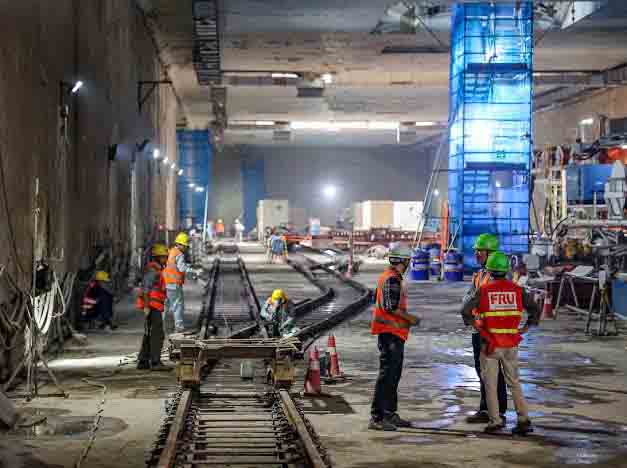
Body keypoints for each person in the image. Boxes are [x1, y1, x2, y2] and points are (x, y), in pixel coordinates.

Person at [460, 251, 540, 434]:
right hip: (511, 343)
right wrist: (526, 328)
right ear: (506, 270)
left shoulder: (484, 291)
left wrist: (477, 327)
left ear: (489, 270)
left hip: (490, 344)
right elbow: (534, 310)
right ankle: (524, 420)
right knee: (514, 382)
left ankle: (495, 421)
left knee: (490, 383)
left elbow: (465, 310)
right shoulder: (518, 290)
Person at [369, 244, 421, 431]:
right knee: (387, 375)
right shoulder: (391, 279)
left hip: (394, 333)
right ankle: (377, 417)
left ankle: (390, 413)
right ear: (404, 261)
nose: (408, 264)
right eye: (408, 260)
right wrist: (411, 318)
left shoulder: (390, 277)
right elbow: (391, 307)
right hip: (389, 334)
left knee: (393, 375)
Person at [463, 233, 508, 424]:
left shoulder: (497, 276)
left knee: (494, 372)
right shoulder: (480, 274)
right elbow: (468, 298)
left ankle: (499, 411)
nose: (476, 254)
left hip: (491, 332)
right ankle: (486, 408)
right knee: (482, 371)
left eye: (480, 250)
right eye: (476, 250)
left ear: (490, 253)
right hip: (478, 329)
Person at [136, 244, 170, 371]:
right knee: (157, 334)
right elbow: (145, 289)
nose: (166, 260)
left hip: (153, 306)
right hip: (151, 306)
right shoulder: (153, 271)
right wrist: (146, 307)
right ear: (158, 258)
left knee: (149, 333)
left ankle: (143, 361)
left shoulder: (156, 270)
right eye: (164, 257)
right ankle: (155, 362)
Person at [163, 232, 192, 333]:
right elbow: (181, 268)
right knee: (177, 306)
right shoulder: (179, 254)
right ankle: (179, 327)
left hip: (165, 282)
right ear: (180, 244)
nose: (186, 248)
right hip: (174, 284)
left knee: (164, 306)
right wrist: (193, 271)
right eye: (185, 246)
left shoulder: (171, 251)